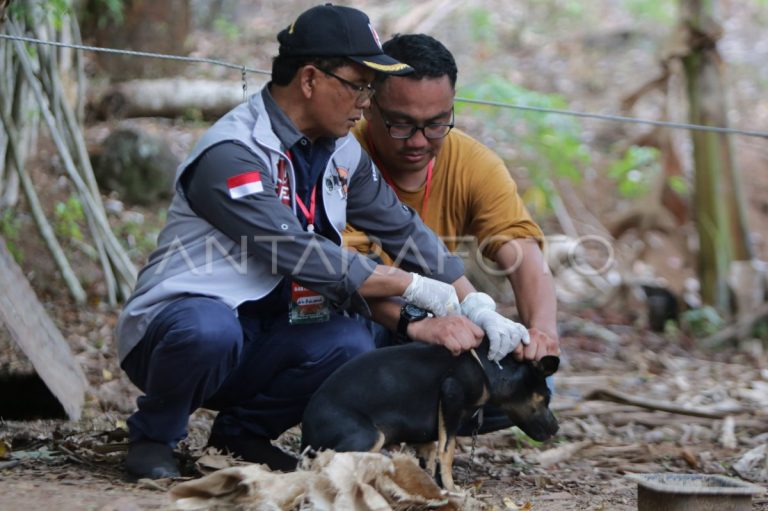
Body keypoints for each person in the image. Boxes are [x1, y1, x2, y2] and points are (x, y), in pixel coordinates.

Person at [115, 5, 529, 480]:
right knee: (209, 329)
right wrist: (415, 289)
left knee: (349, 341)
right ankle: (153, 437)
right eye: (359, 85)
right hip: (177, 334)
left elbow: (403, 230)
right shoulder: (233, 152)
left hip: (270, 330)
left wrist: (474, 302)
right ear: (310, 80)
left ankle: (242, 435)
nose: (366, 102)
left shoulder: (340, 150)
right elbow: (296, 252)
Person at [346, 34, 560, 371]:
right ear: (369, 105)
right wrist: (417, 321)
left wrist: (542, 334)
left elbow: (519, 247)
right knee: (349, 343)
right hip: (362, 314)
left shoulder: (473, 163)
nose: (418, 141)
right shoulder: (341, 158)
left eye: (435, 124)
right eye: (401, 124)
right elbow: (342, 273)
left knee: (530, 378)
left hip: (443, 318)